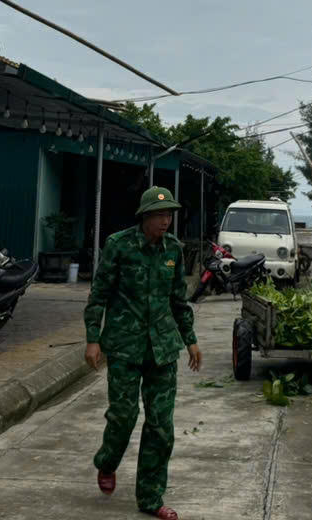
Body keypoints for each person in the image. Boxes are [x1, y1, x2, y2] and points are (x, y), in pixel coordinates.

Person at [85, 186, 202, 520]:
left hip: (163, 349)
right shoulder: (119, 245)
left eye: (169, 215)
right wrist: (93, 337)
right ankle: (107, 461)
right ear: (144, 216)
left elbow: (179, 300)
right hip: (124, 345)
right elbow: (99, 293)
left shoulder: (174, 251)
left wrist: (190, 339)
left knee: (161, 426)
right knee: (123, 416)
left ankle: (151, 498)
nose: (166, 221)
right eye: (160, 215)